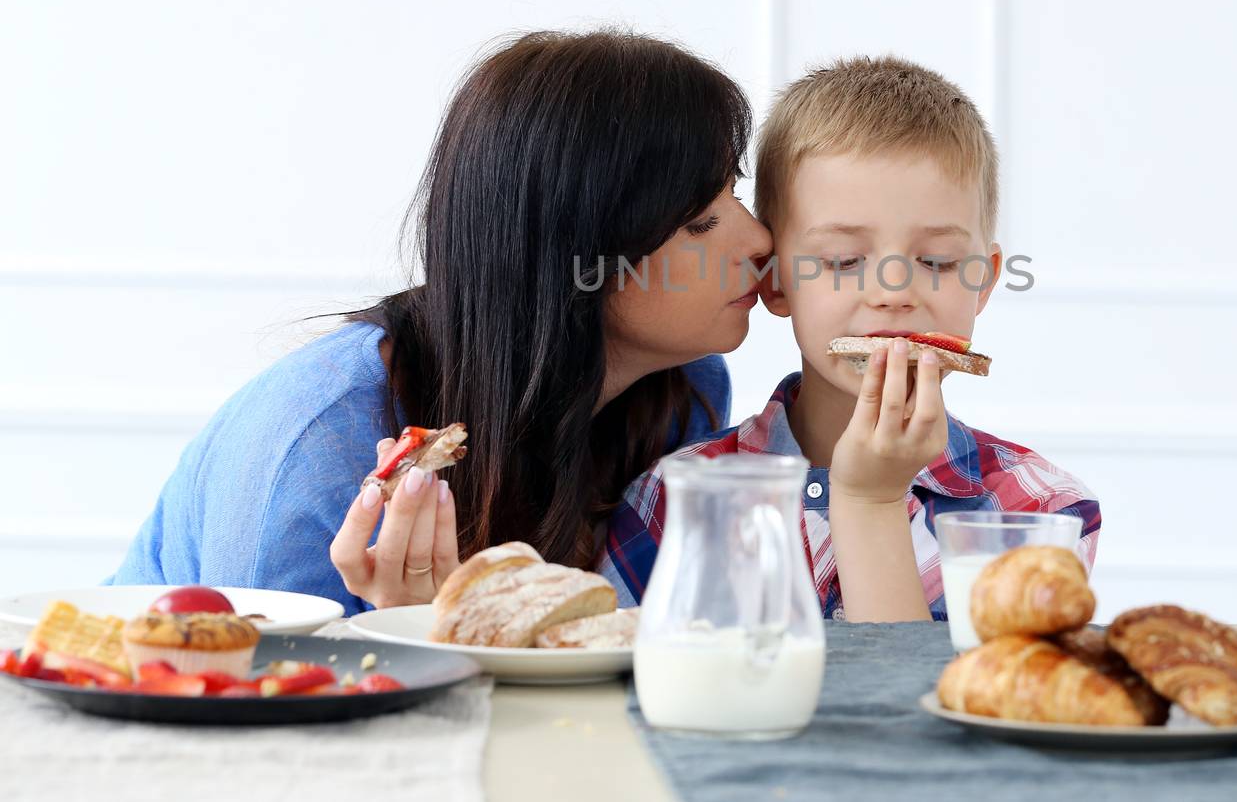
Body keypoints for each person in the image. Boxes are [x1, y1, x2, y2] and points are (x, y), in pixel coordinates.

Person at [111, 30, 772, 613]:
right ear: (574, 253)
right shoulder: (320, 441)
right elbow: (259, 714)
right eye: (700, 221)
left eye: (733, 194)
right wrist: (415, 636)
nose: (759, 238)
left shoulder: (684, 390)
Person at [601, 56, 1099, 622]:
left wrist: (875, 501)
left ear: (982, 281)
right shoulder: (674, 500)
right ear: (774, 281)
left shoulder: (1036, 508)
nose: (893, 291)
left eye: (936, 260)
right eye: (842, 261)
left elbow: (958, 707)